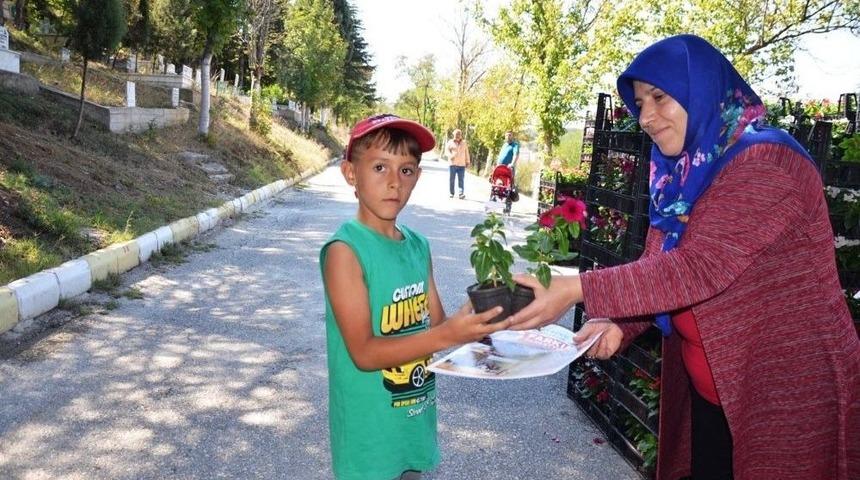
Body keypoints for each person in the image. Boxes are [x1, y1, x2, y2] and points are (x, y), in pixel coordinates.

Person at [509, 35, 859, 480]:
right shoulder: (683, 174)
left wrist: (574, 289)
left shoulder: (765, 161)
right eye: (638, 103)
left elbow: (700, 267)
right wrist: (622, 321)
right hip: (713, 394)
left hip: (783, 392)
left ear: (702, 89)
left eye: (659, 97)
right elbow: (661, 262)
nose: (647, 117)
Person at [320, 113, 510, 480]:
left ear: (417, 177)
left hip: (413, 418)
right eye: (379, 167)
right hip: (370, 435)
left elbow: (437, 325)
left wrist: (485, 308)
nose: (394, 182)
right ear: (350, 174)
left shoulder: (418, 246)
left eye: (406, 170)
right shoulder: (346, 250)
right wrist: (449, 334)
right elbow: (363, 352)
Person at [445, 128, 470, 199]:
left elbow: (467, 152)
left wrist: (468, 161)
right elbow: (446, 151)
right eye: (456, 134)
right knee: (451, 179)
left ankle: (461, 194)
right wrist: (450, 156)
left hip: (462, 165)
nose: (457, 135)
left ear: (461, 135)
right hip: (452, 164)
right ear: (453, 135)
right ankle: (451, 193)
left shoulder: (464, 143)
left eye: (459, 134)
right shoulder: (450, 142)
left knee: (461, 180)